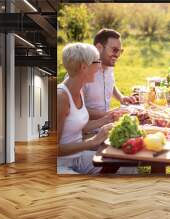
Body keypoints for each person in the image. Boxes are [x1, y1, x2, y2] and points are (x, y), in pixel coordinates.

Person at [57, 42, 112, 174]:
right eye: (97, 61)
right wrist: (93, 141)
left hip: (78, 158)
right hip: (61, 165)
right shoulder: (61, 97)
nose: (100, 66)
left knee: (127, 168)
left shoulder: (79, 89)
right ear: (83, 67)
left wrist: (107, 119)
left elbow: (76, 127)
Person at [83, 28, 136, 120]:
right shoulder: (82, 72)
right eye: (115, 50)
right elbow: (75, 110)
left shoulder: (108, 66)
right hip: (87, 130)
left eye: (120, 51)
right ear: (99, 48)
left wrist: (121, 97)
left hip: (106, 123)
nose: (118, 55)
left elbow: (110, 84)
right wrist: (108, 114)